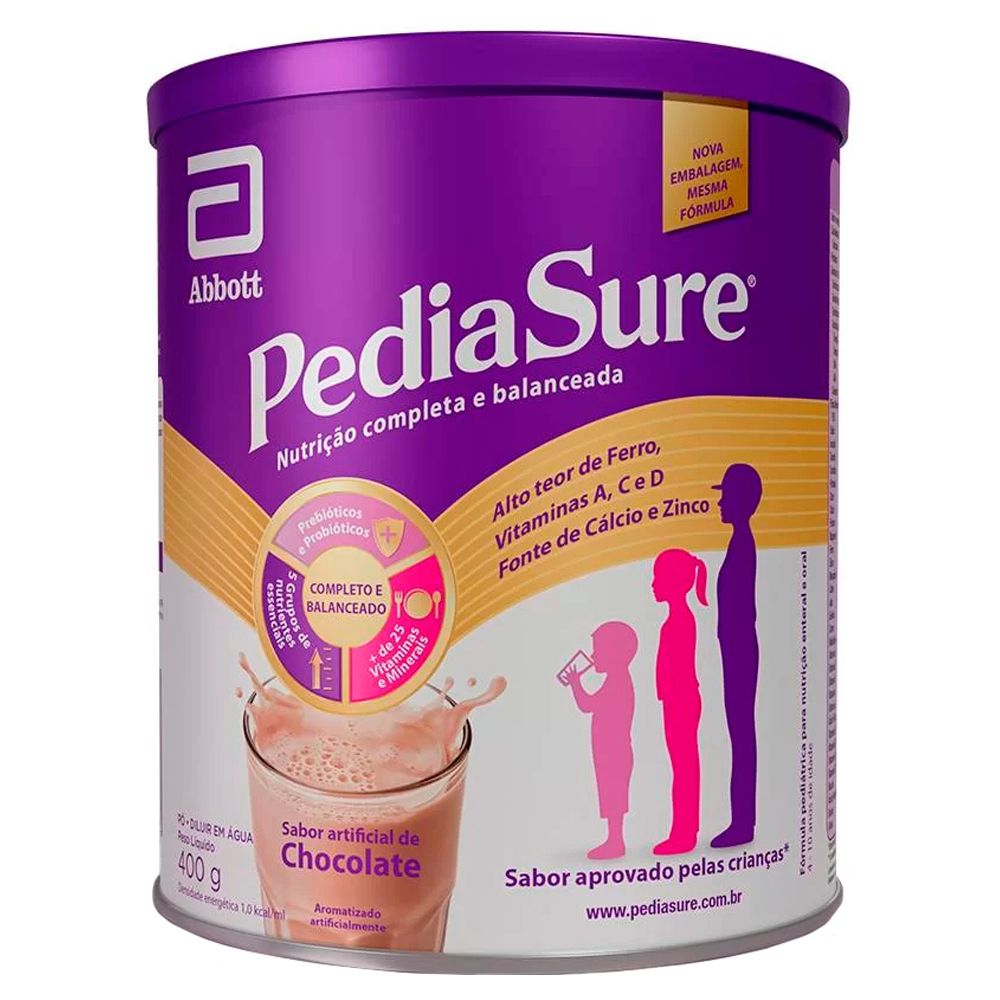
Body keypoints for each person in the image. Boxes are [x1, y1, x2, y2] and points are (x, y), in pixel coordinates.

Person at [712, 463, 763, 848]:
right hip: (737, 648)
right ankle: (742, 821)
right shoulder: (740, 541)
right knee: (740, 734)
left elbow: (742, 608)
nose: (720, 503)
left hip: (740, 650)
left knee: (741, 735)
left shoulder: (743, 543)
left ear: (743, 500)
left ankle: (743, 824)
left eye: (726, 495)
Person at [651, 549, 708, 855]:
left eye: (657, 577)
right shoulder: (677, 619)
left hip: (681, 700)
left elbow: (677, 668)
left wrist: (668, 694)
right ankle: (684, 830)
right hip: (677, 699)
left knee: (684, 768)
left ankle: (684, 834)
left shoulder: (680, 621)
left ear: (674, 582)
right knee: (683, 767)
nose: (653, 584)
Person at [566, 621, 638, 859]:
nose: (594, 655)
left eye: (598, 650)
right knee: (611, 795)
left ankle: (616, 841)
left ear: (617, 654)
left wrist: (575, 683)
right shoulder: (617, 680)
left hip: (614, 752)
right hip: (610, 751)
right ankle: (614, 839)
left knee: (614, 796)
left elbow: (587, 705)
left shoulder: (618, 682)